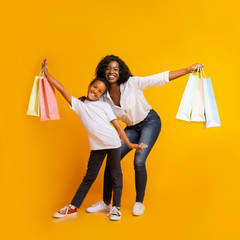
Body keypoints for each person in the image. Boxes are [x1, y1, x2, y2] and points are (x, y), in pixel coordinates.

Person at [86, 55, 204, 216]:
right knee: (112, 158)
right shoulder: (104, 96)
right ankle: (106, 203)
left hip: (150, 122)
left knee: (139, 160)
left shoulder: (132, 83)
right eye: (108, 68)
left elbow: (159, 78)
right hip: (132, 128)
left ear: (121, 71)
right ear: (103, 71)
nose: (111, 72)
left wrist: (188, 70)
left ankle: (139, 202)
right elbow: (90, 105)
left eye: (115, 68)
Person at [42, 59, 143, 221]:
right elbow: (61, 89)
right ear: (90, 86)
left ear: (102, 95)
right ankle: (73, 207)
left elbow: (117, 126)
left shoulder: (104, 106)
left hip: (113, 144)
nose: (96, 91)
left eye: (100, 91)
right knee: (89, 177)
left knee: (116, 176)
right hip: (97, 147)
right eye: (95, 87)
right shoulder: (79, 104)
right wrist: (47, 74)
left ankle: (115, 208)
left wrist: (129, 143)